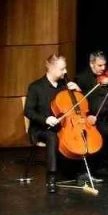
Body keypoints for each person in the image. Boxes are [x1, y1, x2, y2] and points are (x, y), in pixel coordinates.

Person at [24, 53, 81, 193]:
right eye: (62, 69)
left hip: (61, 126)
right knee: (52, 136)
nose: (65, 72)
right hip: (40, 129)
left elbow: (78, 107)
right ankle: (51, 177)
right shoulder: (35, 87)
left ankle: (79, 171)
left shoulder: (65, 87)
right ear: (51, 68)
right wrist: (45, 119)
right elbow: (28, 111)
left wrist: (78, 91)